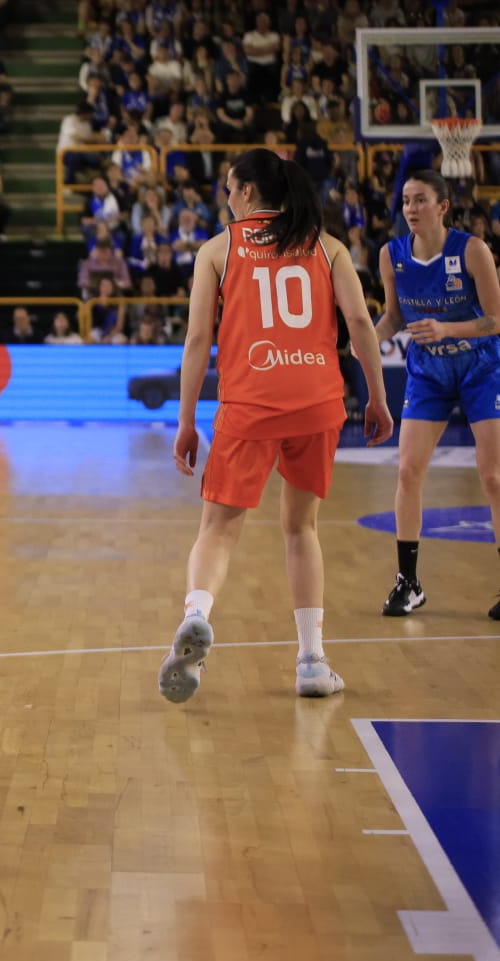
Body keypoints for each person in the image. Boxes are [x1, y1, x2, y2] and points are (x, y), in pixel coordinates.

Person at [159, 149, 393, 704]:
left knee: (217, 529)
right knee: (301, 529)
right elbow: (360, 322)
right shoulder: (326, 245)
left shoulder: (218, 250)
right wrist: (377, 398)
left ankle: (197, 613)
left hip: (250, 404)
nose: (224, 198)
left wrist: (187, 419)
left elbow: (197, 342)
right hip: (317, 403)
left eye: (227, 189)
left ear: (245, 193)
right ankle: (312, 660)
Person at [375, 170, 500, 620]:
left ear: (443, 206)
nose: (410, 208)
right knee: (407, 472)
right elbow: (392, 317)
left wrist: (448, 327)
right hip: (428, 372)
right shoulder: (391, 255)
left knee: (493, 477)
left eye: (420, 200)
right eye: (406, 200)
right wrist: (368, 338)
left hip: (482, 367)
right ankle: (408, 583)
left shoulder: (471, 250)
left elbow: (496, 320)